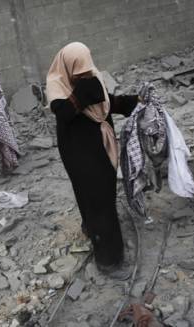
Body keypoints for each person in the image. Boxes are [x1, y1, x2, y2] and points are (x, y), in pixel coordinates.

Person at [46, 42, 139, 279]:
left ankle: (91, 228)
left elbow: (106, 104)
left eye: (88, 71)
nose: (86, 77)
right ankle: (110, 260)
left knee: (101, 195)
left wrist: (133, 102)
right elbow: (65, 113)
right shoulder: (58, 86)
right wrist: (80, 95)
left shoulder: (92, 78)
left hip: (100, 147)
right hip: (78, 152)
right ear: (68, 69)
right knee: (99, 201)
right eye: (80, 74)